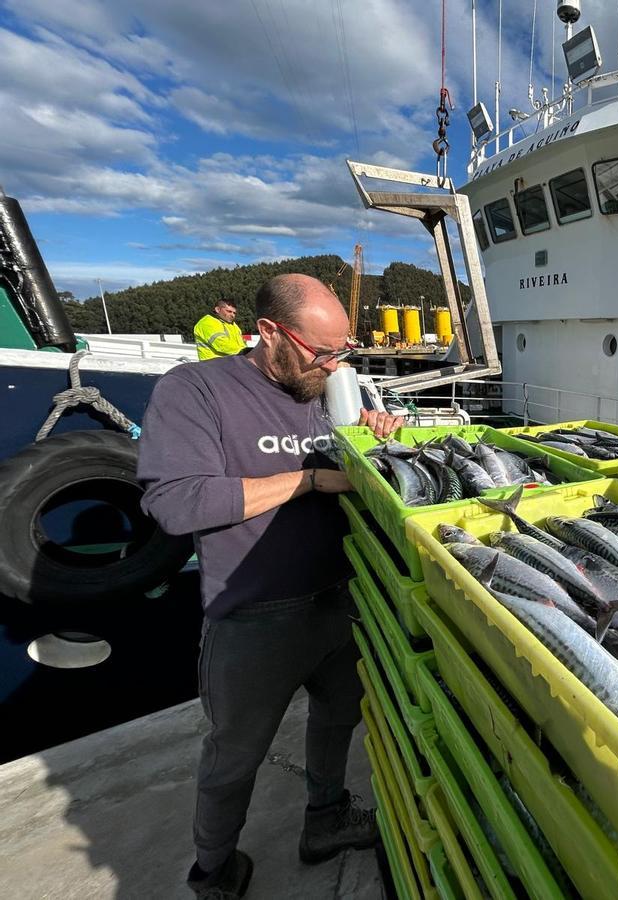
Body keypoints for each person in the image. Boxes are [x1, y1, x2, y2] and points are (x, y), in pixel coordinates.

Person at [138, 274, 404, 899]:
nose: (335, 366)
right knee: (234, 756)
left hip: (341, 599)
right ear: (268, 333)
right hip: (252, 613)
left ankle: (326, 819)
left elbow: (349, 464)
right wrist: (308, 480)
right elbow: (176, 503)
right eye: (323, 352)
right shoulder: (196, 389)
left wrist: (368, 433)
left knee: (340, 718)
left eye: (345, 352)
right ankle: (213, 866)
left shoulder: (324, 386)